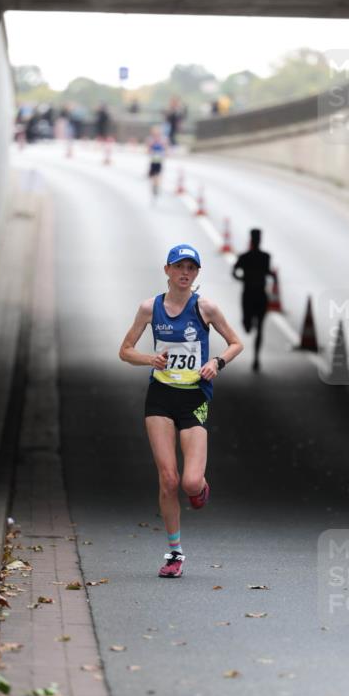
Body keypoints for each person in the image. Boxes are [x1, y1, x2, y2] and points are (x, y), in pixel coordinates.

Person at [119, 245, 243, 577]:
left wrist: (217, 362)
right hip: (160, 397)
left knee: (189, 482)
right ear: (167, 270)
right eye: (179, 267)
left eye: (191, 268)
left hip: (194, 399)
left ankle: (199, 488)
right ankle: (175, 553)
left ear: (197, 274)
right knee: (168, 478)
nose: (185, 273)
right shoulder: (150, 308)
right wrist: (150, 359)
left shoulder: (206, 308)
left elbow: (236, 342)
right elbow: (125, 351)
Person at [232, 228, 274, 372]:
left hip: (251, 295)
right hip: (257, 295)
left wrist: (243, 278)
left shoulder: (247, 256)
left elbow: (234, 272)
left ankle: (256, 358)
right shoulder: (263, 257)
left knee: (254, 327)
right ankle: (256, 356)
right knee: (252, 327)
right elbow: (269, 273)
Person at [147, 126, 167, 198]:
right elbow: (148, 149)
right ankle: (155, 185)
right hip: (153, 160)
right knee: (153, 175)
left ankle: (156, 185)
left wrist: (164, 153)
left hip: (158, 160)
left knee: (157, 174)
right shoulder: (151, 139)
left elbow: (165, 148)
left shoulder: (162, 139)